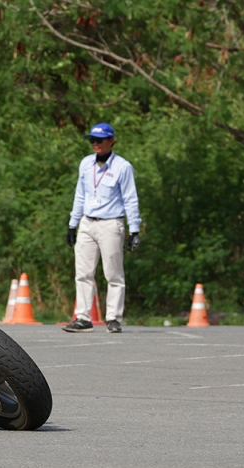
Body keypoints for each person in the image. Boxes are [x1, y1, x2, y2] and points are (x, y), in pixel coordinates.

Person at [63, 123, 141, 334]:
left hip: (111, 223)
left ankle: (113, 318)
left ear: (111, 141)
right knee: (83, 272)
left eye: (100, 140)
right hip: (87, 223)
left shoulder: (122, 167)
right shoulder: (86, 164)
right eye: (92, 140)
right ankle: (83, 317)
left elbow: (130, 199)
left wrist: (134, 230)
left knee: (113, 273)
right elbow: (80, 195)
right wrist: (73, 224)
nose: (95, 144)